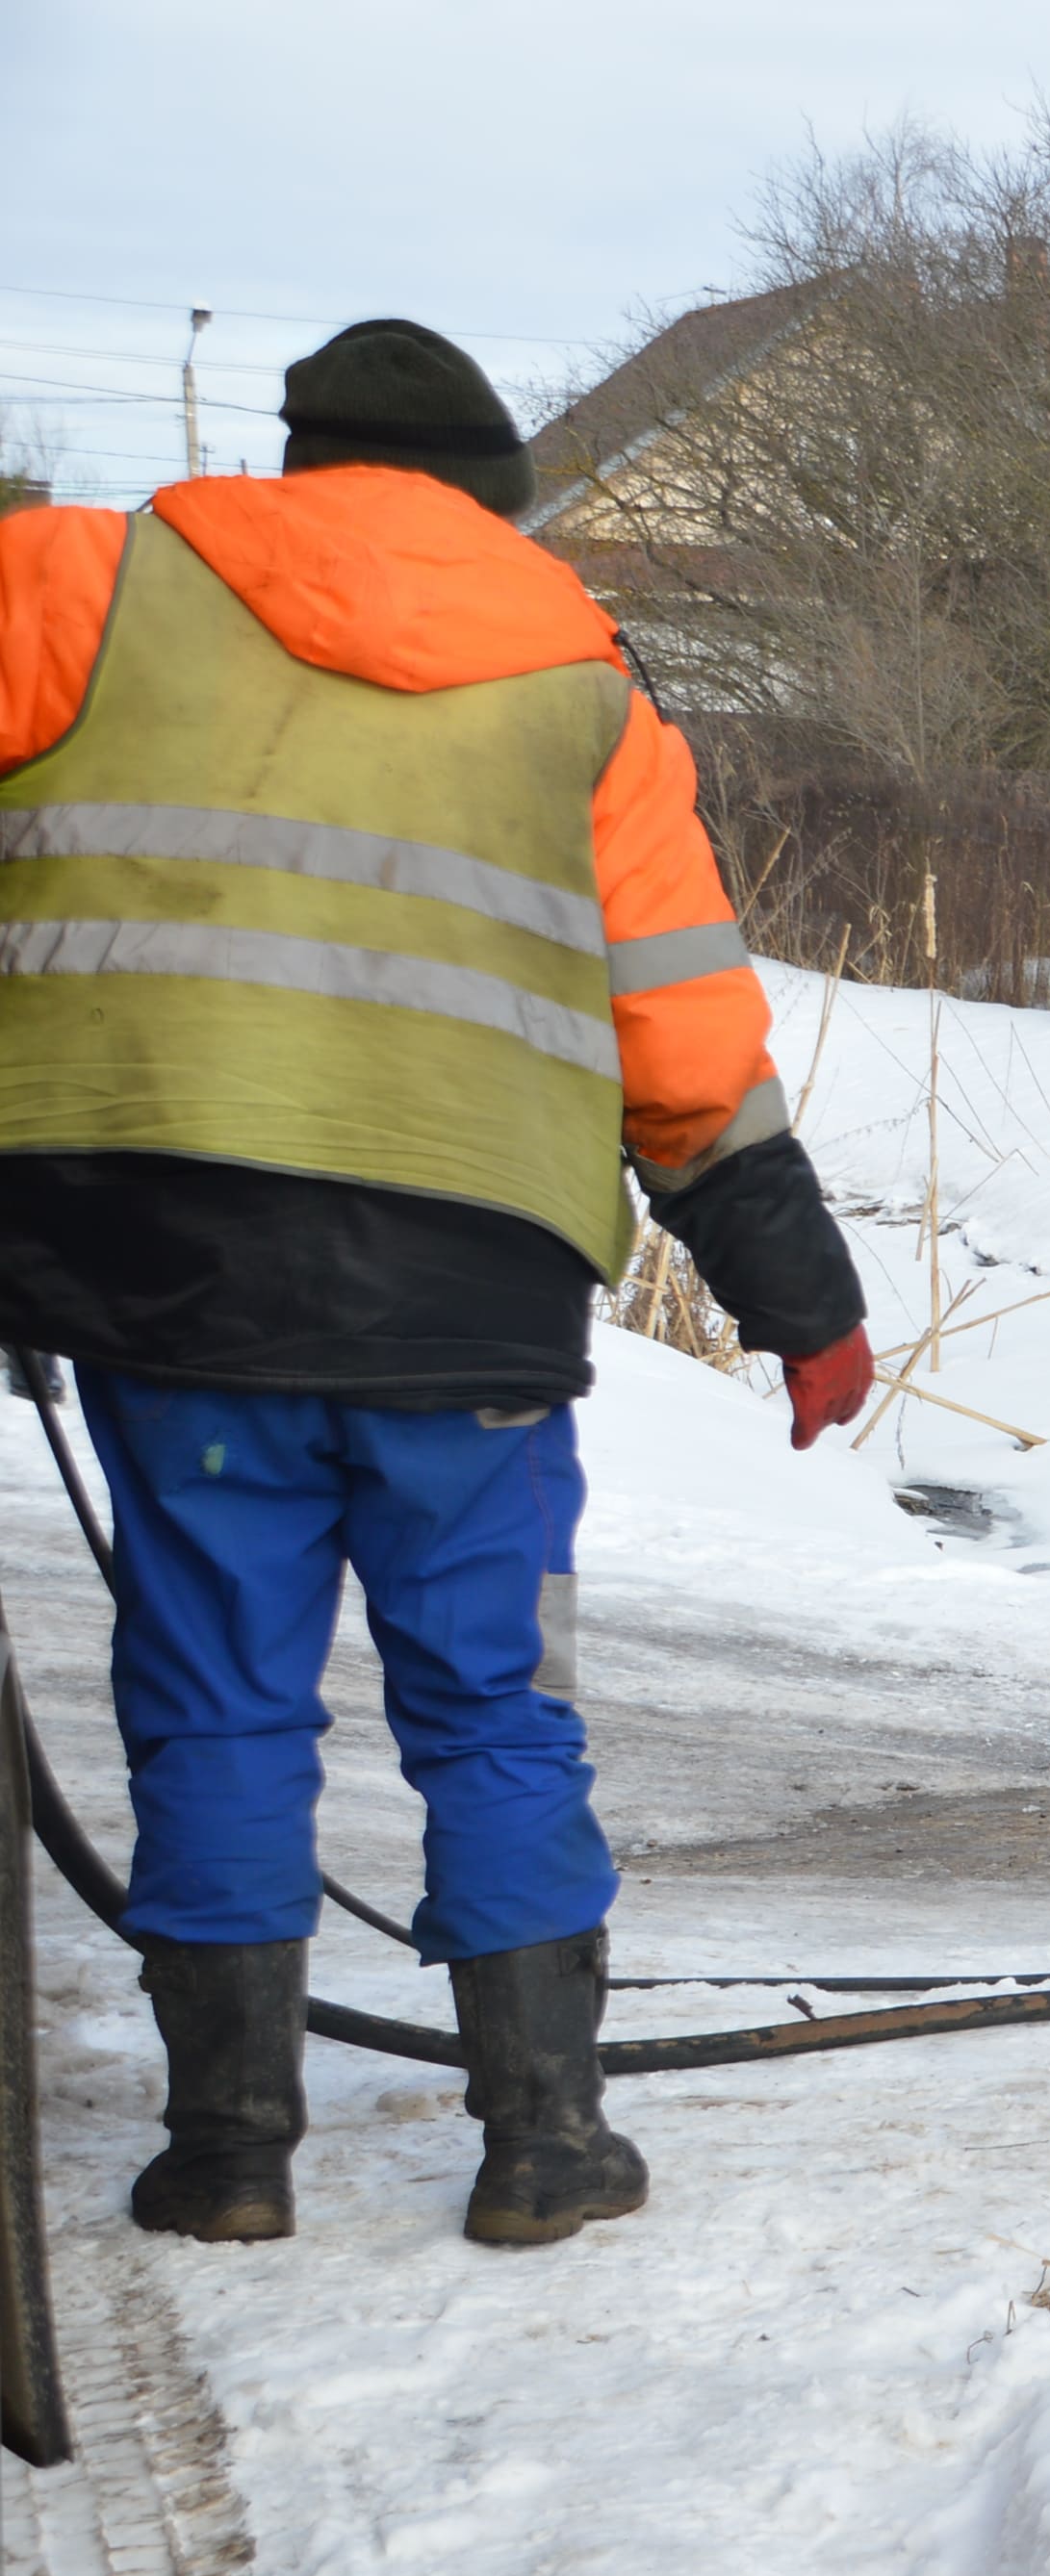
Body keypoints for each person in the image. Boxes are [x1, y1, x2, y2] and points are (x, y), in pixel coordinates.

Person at [0, 320, 876, 2248]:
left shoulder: (81, 582)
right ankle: (543, 2146)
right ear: (497, 497)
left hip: (174, 1275)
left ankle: (228, 2153)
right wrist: (800, 1300)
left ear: (297, 455)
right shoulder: (585, 686)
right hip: (469, 1291)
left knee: (215, 1699)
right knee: (492, 1708)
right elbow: (682, 1040)